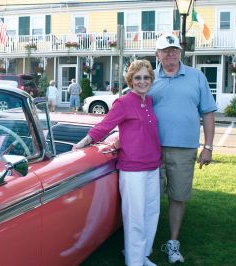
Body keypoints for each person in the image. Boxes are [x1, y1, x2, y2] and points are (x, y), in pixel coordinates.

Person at [74, 59, 161, 266]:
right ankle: (134, 261)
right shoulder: (123, 102)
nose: (142, 81)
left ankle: (142, 255)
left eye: (146, 77)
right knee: (135, 218)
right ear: (130, 80)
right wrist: (83, 143)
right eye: (137, 78)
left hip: (153, 166)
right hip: (133, 169)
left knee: (151, 213)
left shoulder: (148, 101)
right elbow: (104, 126)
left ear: (151, 79)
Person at [149, 34, 217, 264]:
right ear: (157, 54)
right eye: (165, 50)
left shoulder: (197, 77)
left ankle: (173, 243)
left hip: (184, 149)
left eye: (174, 50)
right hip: (150, 150)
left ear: (180, 52)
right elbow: (131, 108)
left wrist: (208, 147)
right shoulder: (147, 78)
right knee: (149, 198)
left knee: (178, 197)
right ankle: (144, 243)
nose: (170, 54)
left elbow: (208, 112)